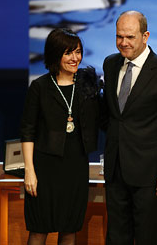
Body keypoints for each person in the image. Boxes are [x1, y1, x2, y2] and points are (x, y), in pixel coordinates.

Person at [101, 10, 157, 244]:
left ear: (145, 36)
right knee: (116, 237)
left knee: (149, 238)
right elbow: (112, 115)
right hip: (116, 169)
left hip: (149, 174)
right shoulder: (110, 64)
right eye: (119, 37)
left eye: (130, 37)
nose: (123, 43)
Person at [21, 28, 100, 245]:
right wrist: (30, 171)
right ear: (56, 54)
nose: (75, 58)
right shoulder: (40, 87)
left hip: (75, 168)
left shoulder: (87, 85)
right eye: (68, 53)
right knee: (39, 230)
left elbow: (103, 119)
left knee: (69, 230)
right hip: (45, 169)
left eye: (78, 52)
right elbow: (28, 130)